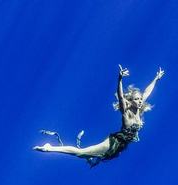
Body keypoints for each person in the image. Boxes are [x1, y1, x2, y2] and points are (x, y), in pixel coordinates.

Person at [33, 65, 164, 166]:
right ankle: (49, 148)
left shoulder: (139, 110)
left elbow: (146, 92)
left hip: (120, 146)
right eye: (136, 99)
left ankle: (82, 155)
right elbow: (120, 97)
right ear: (130, 101)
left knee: (85, 155)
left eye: (140, 99)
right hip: (115, 142)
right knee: (81, 152)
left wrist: (155, 79)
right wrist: (119, 79)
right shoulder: (127, 112)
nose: (140, 101)